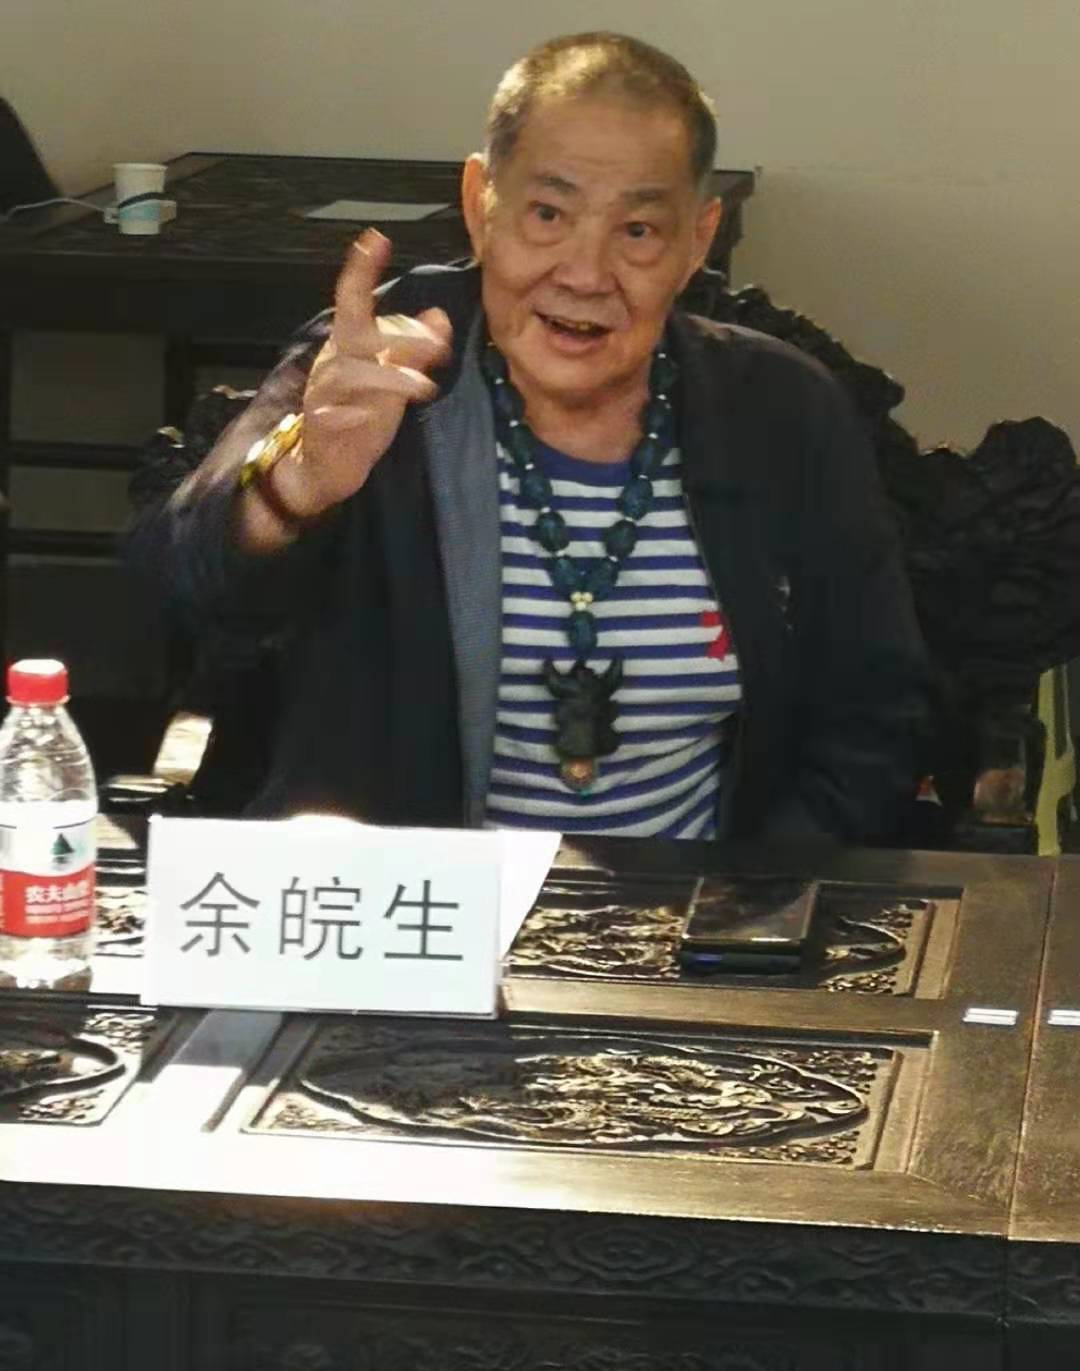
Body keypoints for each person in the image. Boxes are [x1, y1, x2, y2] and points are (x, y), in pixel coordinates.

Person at [128, 31, 928, 843]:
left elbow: (875, 716)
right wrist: (297, 486)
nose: (584, 273)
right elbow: (179, 582)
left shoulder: (780, 409)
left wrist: (748, 893)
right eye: (548, 214)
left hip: (693, 909)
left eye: (638, 231)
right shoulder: (379, 369)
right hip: (409, 907)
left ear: (698, 239)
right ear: (481, 204)